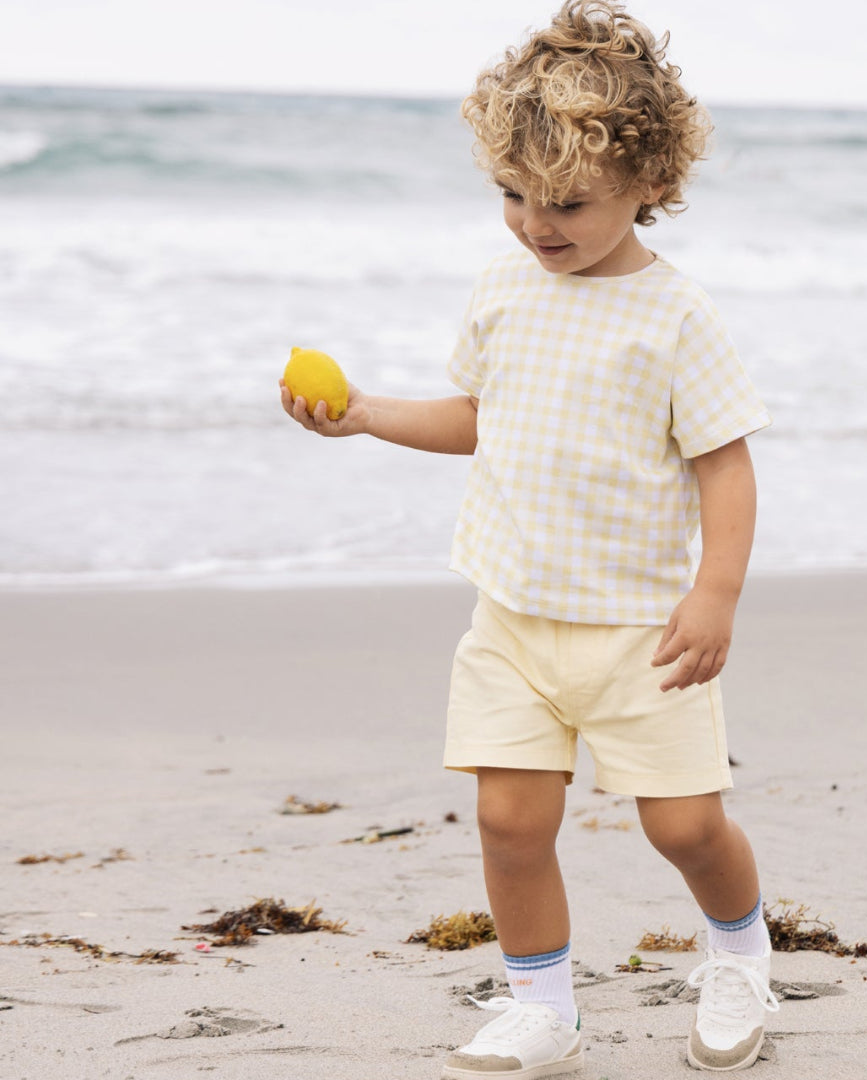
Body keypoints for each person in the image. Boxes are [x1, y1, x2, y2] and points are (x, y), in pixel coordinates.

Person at [280, 2, 779, 1074]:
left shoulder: (677, 316)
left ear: (649, 184)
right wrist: (365, 413)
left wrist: (717, 593)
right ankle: (540, 1002)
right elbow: (476, 419)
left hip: (643, 632)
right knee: (509, 823)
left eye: (567, 203)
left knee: (686, 829)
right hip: (509, 619)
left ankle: (740, 950)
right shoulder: (505, 286)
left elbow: (724, 462)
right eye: (511, 193)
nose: (533, 223)